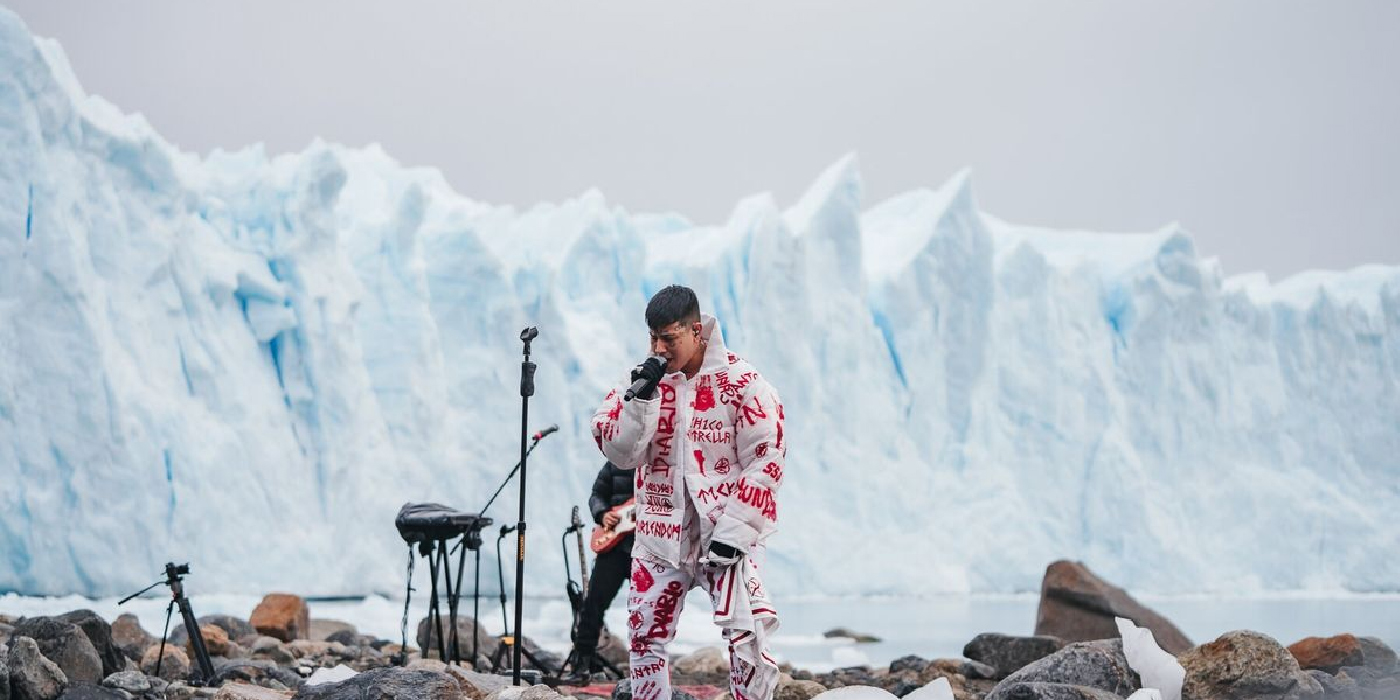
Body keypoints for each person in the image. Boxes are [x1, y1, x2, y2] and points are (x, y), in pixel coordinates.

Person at [591, 285, 785, 700]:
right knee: (645, 639)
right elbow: (619, 454)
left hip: (725, 536)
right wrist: (639, 401)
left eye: (669, 338)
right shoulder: (639, 382)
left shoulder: (742, 383)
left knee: (744, 637)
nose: (659, 348)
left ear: (696, 332)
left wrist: (736, 533)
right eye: (653, 338)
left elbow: (767, 459)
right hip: (660, 536)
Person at [567, 460, 635, 677]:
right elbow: (596, 495)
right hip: (613, 549)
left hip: (645, 547)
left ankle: (645, 667)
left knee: (646, 611)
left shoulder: (660, 461)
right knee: (592, 605)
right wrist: (603, 514)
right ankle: (581, 664)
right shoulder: (615, 463)